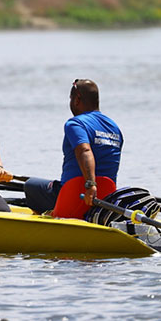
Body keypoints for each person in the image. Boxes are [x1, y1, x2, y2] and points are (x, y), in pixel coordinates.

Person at [23, 79, 122, 220]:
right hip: (104, 200)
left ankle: (48, 221)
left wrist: (90, 185)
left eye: (71, 98)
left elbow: (84, 151)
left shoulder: (75, 123)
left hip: (75, 197)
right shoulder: (114, 128)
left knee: (30, 186)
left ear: (77, 99)